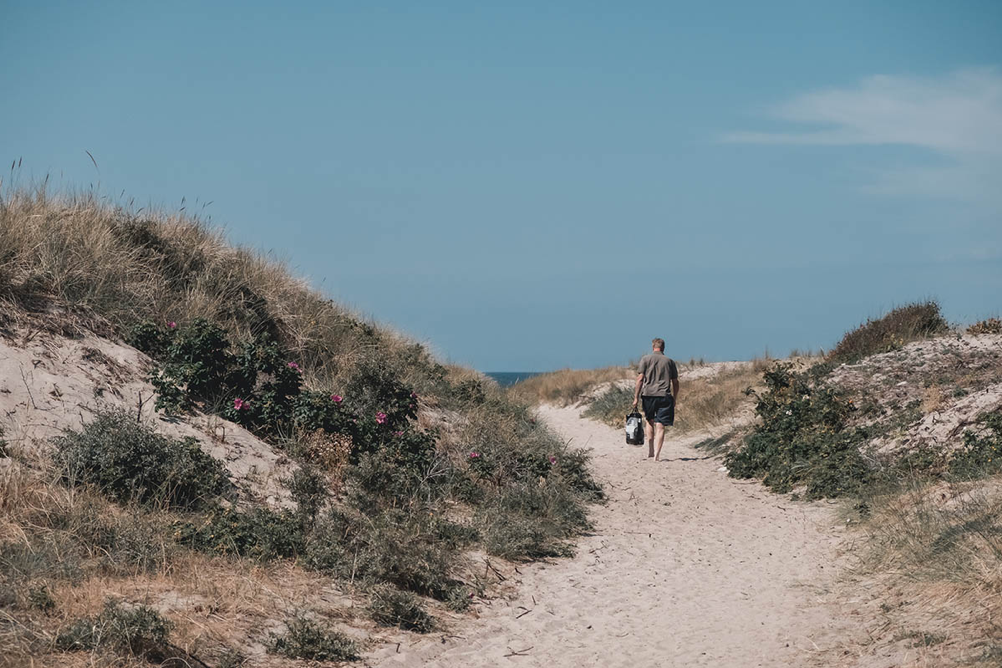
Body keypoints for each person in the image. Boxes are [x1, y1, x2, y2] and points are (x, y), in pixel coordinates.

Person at [631, 338, 679, 461]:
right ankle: (657, 455)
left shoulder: (645, 359)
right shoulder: (669, 361)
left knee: (649, 421)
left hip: (648, 395)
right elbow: (675, 382)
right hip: (664, 395)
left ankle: (651, 450)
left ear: (653, 347)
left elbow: (640, 379)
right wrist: (675, 398)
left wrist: (636, 397)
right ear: (663, 348)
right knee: (661, 426)